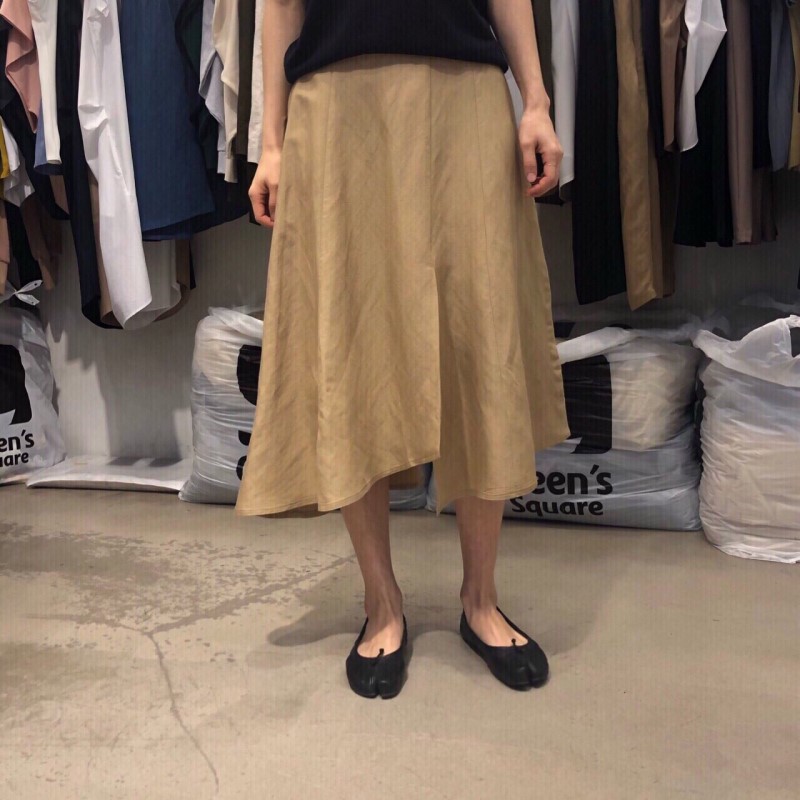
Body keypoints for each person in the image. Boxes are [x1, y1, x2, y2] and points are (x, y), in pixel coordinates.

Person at [236, 0, 570, 699]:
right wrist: (272, 142)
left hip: (464, 92)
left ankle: (481, 600)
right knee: (350, 344)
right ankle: (381, 601)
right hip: (335, 103)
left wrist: (536, 101)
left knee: (480, 339)